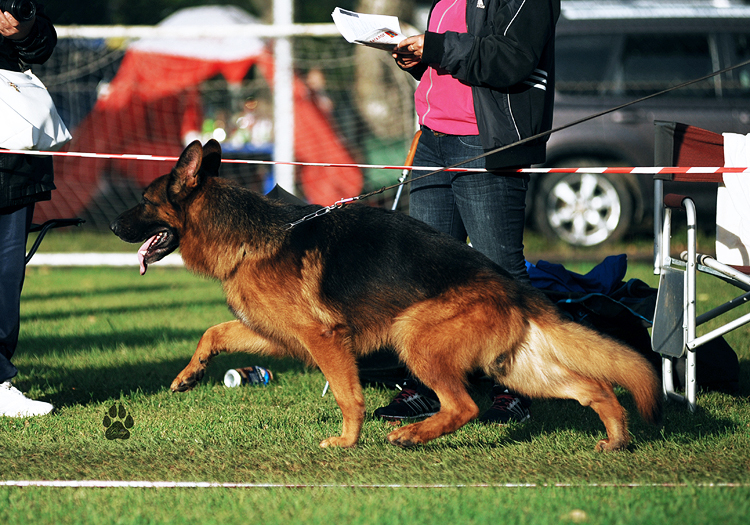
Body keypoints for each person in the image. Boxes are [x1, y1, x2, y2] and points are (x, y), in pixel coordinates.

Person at [373, 0, 560, 424]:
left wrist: (435, 49)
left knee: (501, 269)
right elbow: (455, 61)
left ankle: (517, 388)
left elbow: (511, 60)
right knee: (421, 272)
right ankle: (427, 384)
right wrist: (419, 60)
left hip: (486, 144)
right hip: (433, 137)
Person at [0, 2, 57, 417]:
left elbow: (41, 46)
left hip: (12, 162)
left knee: (5, 274)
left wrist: (23, 27)